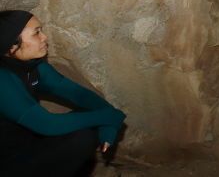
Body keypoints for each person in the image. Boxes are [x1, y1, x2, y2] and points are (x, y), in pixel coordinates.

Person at [0, 10, 126, 177]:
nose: (44, 37)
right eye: (36, 33)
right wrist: (109, 117)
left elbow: (80, 96)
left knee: (85, 127)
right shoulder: (2, 79)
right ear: (12, 46)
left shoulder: (33, 66)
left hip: (27, 145)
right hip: (6, 163)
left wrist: (108, 123)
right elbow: (47, 124)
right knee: (82, 136)